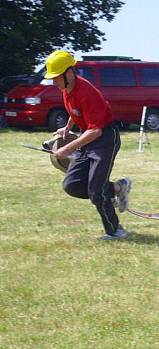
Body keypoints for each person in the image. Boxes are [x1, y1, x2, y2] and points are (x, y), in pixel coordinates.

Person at [45, 50, 131, 240]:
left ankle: (115, 231)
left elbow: (96, 131)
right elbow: (75, 111)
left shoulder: (87, 92)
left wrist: (68, 148)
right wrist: (67, 128)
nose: (53, 82)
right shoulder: (67, 89)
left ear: (69, 73)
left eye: (56, 77)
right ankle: (118, 188)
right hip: (89, 138)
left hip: (105, 139)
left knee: (96, 191)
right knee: (72, 185)